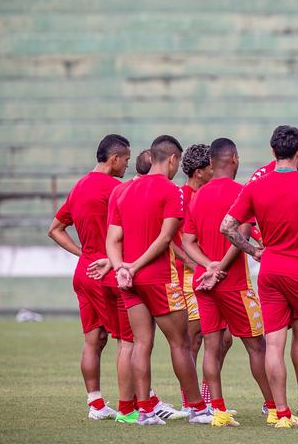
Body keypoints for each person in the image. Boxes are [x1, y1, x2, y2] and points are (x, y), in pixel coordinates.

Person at [223, 125, 298, 428]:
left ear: (273, 151)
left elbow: (227, 226)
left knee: (274, 344)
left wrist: (254, 251)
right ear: (297, 152)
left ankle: (282, 414)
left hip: (270, 270)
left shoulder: (256, 186)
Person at [105, 134, 207, 426]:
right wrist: (135, 266)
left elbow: (112, 239)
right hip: (159, 278)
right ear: (173, 159)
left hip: (129, 281)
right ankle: (198, 409)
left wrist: (121, 268)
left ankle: (145, 412)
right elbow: (165, 239)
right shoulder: (172, 191)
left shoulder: (123, 191)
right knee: (181, 344)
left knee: (141, 344)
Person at [180, 137, 271, 428]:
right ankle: (273, 407)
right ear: (234, 159)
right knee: (257, 347)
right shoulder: (242, 192)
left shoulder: (199, 196)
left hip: (204, 282)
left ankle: (217, 409)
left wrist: (208, 266)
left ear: (210, 163)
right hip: (234, 283)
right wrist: (222, 267)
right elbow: (240, 235)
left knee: (211, 345)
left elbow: (187, 241)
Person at [48, 134, 133, 421]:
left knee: (93, 339)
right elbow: (127, 232)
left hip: (84, 273)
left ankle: (95, 404)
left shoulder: (79, 186)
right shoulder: (116, 189)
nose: (127, 166)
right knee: (128, 342)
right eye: (126, 160)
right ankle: (135, 404)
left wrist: (82, 252)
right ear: (114, 159)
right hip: (108, 274)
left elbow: (55, 229)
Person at [250, 129, 298, 417]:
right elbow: (245, 219)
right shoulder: (261, 178)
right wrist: (262, 243)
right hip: (276, 260)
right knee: (275, 335)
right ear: (295, 151)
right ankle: (273, 400)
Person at [176, 144, 213, 406]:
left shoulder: (209, 194)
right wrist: (189, 261)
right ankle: (192, 401)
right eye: (211, 166)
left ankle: (205, 398)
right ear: (199, 172)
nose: (215, 170)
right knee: (195, 339)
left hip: (205, 272)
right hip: (186, 276)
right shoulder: (181, 195)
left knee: (222, 338)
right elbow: (166, 236)